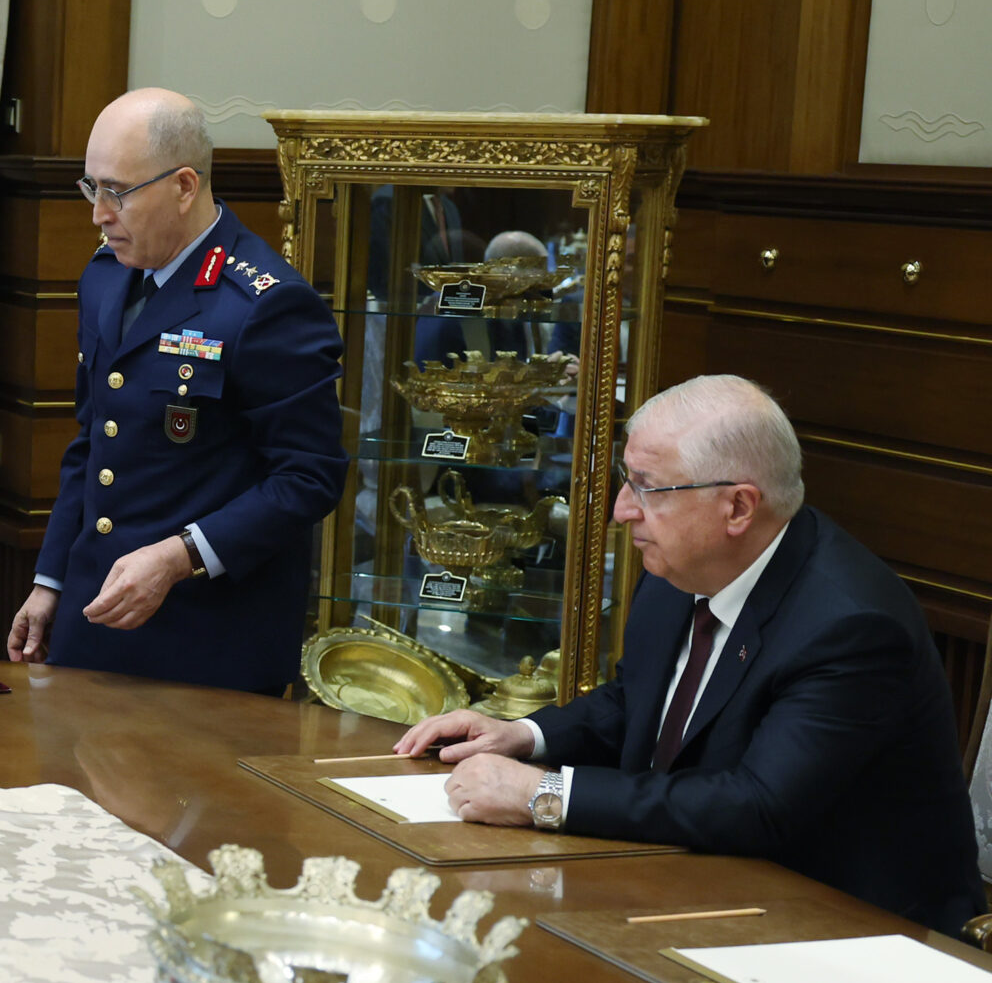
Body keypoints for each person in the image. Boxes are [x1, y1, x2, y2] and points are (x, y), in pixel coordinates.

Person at [396, 375, 981, 933]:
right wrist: (523, 736)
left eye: (647, 487)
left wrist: (544, 795)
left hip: (850, 928)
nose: (622, 509)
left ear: (739, 508)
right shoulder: (682, 567)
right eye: (627, 481)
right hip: (694, 882)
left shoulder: (851, 627)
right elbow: (638, 699)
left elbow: (758, 807)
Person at [7, 89, 348, 692]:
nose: (98, 214)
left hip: (205, 639)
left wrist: (179, 556)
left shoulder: (266, 304)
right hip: (94, 618)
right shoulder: (106, 276)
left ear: (184, 186)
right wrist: (51, 580)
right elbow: (93, 441)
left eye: (117, 192)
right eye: (91, 188)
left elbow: (309, 477)